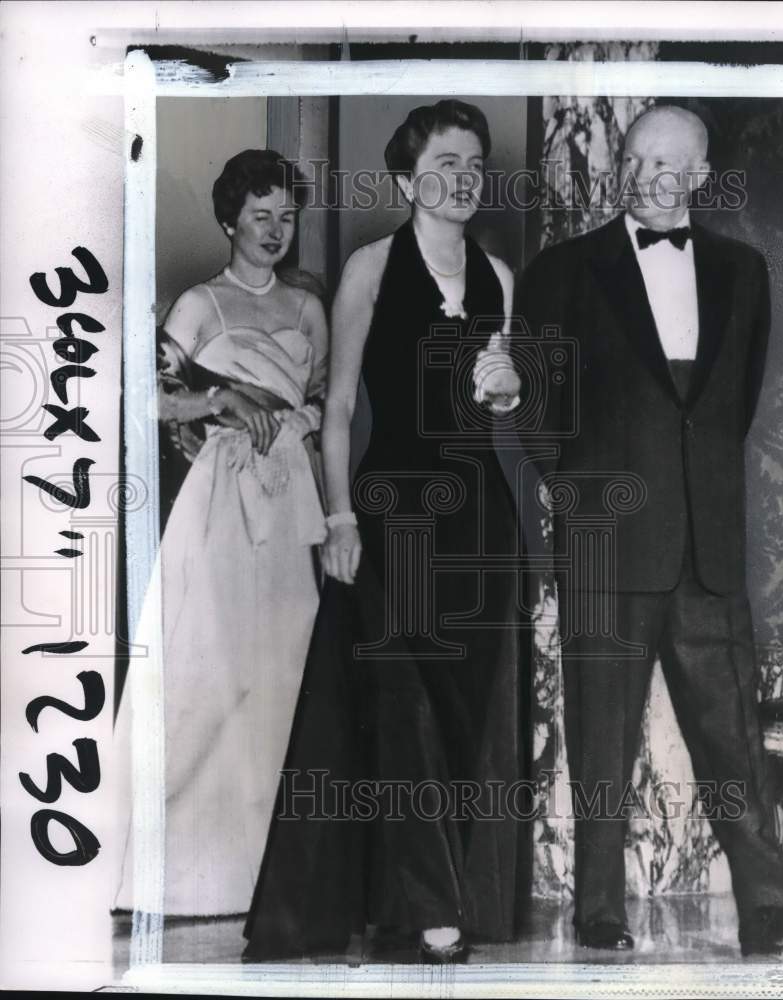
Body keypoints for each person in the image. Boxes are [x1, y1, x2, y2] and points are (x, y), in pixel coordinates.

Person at [243, 100, 528, 963]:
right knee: (402, 712)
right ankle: (423, 913)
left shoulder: (501, 277)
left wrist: (509, 387)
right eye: (444, 163)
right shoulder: (371, 267)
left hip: (480, 518)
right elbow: (336, 411)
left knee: (463, 712)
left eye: (474, 163)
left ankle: (450, 896)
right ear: (406, 179)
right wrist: (339, 516)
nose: (463, 178)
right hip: (392, 511)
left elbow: (498, 401)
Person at [516, 106, 783, 956]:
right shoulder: (561, 270)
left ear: (701, 175)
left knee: (732, 736)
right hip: (606, 544)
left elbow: (735, 403)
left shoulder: (744, 271)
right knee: (600, 737)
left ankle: (768, 904)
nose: (643, 178)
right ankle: (599, 907)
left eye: (666, 165)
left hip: (707, 548)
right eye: (634, 160)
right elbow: (535, 406)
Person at [114, 149, 329, 917]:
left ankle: (264, 878)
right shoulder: (199, 304)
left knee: (284, 671)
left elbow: (326, 407)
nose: (275, 230)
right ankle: (177, 875)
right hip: (219, 499)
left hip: (292, 498)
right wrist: (219, 402)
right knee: (208, 668)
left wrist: (302, 429)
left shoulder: (309, 308)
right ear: (228, 219)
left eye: (287, 216)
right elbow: (149, 397)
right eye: (260, 215)